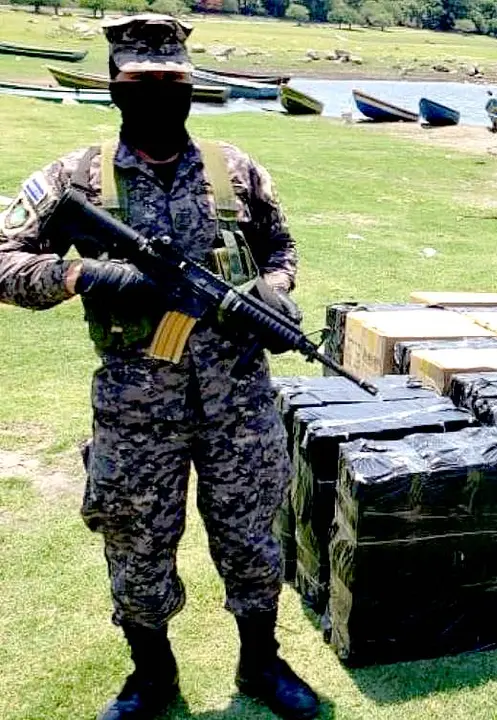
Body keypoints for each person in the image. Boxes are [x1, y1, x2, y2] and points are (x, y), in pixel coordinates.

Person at [0, 15, 319, 720]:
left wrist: (274, 291)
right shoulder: (73, 178)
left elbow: (282, 249)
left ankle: (260, 665)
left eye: (171, 83)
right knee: (135, 543)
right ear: (116, 88)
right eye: (141, 84)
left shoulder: (235, 169)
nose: (157, 96)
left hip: (239, 403)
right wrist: (85, 277)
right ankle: (152, 676)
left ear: (190, 86)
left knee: (252, 537)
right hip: (135, 409)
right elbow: (4, 260)